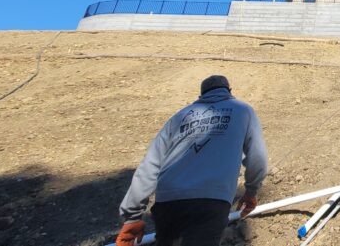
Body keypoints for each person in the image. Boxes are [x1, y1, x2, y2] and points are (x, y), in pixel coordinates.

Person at [115, 75, 269, 246]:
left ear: (201, 95)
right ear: (229, 91)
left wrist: (132, 216)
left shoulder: (179, 117)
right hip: (211, 201)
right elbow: (258, 158)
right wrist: (251, 191)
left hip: (168, 203)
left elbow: (149, 166)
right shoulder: (242, 111)